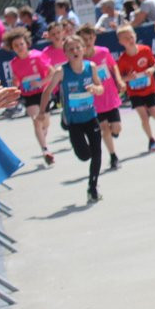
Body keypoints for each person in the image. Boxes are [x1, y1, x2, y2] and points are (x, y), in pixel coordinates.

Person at [40, 35, 106, 204]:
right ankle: (90, 173)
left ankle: (92, 187)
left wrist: (95, 89)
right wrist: (42, 112)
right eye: (71, 49)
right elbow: (47, 92)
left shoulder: (90, 67)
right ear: (66, 54)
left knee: (97, 152)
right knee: (85, 155)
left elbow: (100, 88)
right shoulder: (62, 71)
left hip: (91, 117)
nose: (75, 51)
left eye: (78, 48)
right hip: (74, 121)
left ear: (83, 50)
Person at [77, 24, 125, 171]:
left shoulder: (103, 52)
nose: (88, 41)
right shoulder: (81, 60)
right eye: (84, 39)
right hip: (94, 101)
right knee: (104, 128)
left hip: (109, 96)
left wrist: (119, 80)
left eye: (90, 38)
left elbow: (113, 66)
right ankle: (113, 157)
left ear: (95, 38)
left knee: (116, 128)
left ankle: (114, 133)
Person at [4, 28, 54, 165]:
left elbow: (52, 72)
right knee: (35, 120)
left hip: (43, 93)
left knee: (45, 122)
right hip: (29, 95)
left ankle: (43, 139)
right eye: (16, 46)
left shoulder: (37, 56)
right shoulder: (14, 63)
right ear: (12, 48)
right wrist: (15, 85)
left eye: (21, 44)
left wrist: (40, 82)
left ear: (26, 44)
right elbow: (17, 79)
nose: (19, 47)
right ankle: (45, 150)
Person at [115, 25, 155, 152]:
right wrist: (127, 78)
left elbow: (154, 63)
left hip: (149, 89)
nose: (130, 40)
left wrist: (152, 69)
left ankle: (149, 111)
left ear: (135, 36)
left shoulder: (145, 50)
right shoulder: (123, 60)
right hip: (135, 93)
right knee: (144, 118)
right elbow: (119, 78)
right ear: (120, 42)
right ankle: (151, 140)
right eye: (126, 38)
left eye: (131, 36)